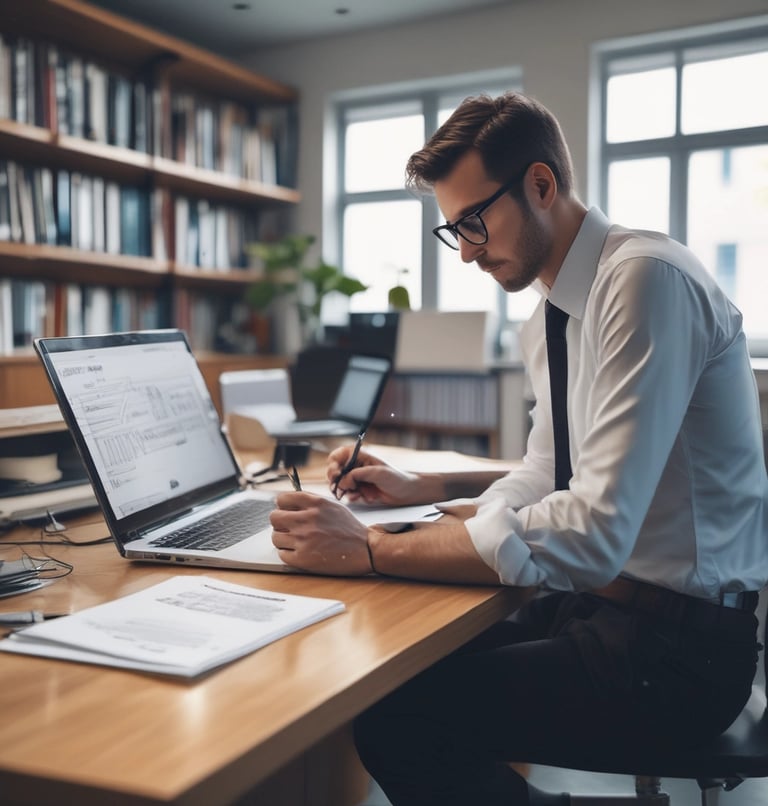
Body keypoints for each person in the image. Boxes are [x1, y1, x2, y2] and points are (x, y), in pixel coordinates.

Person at [269, 92, 768, 805]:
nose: (467, 251)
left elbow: (594, 532)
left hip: (679, 652)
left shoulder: (645, 281)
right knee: (387, 670)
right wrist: (436, 496)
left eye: (474, 222)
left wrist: (375, 550)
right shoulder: (552, 318)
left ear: (541, 184)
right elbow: (547, 467)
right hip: (608, 611)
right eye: (454, 231)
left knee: (399, 718)